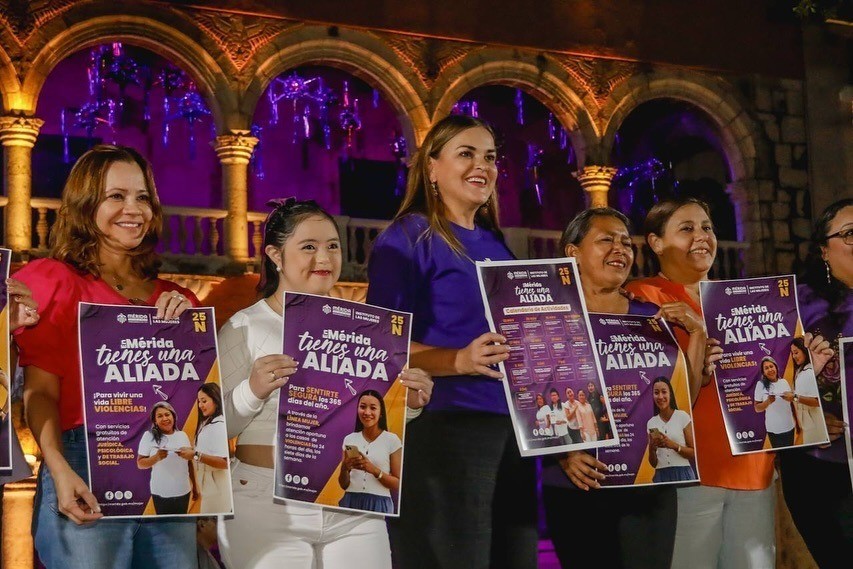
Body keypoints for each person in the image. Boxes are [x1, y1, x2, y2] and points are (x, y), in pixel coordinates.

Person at [216, 198, 433, 569]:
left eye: (332, 245)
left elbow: (374, 424)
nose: (324, 258)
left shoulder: (369, 328)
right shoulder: (244, 326)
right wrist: (252, 391)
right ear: (275, 255)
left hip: (354, 502)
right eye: (308, 247)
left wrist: (409, 404)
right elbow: (211, 428)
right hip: (266, 505)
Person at [13, 144, 200, 568]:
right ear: (84, 203)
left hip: (166, 471)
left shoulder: (180, 299)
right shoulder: (51, 280)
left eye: (142, 197)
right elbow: (39, 393)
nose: (133, 209)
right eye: (115, 196)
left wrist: (194, 333)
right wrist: (58, 468)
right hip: (82, 461)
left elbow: (197, 402)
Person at [366, 114, 538, 569]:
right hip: (442, 427)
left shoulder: (497, 245)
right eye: (466, 153)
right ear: (432, 168)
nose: (482, 165)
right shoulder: (405, 239)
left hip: (516, 431)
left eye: (490, 157)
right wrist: (457, 359)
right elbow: (378, 343)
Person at [542, 207, 702, 569]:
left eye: (626, 242)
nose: (621, 248)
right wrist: (560, 453)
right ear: (572, 252)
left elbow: (681, 402)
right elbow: (530, 395)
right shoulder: (547, 317)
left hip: (648, 485)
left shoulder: (652, 317)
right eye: (605, 240)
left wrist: (698, 335)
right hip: (577, 483)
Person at [626, 197, 777, 569]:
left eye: (707, 227)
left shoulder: (742, 301)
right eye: (687, 228)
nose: (702, 236)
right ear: (656, 243)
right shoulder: (641, 298)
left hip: (753, 467)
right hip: (687, 473)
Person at [777, 197, 853, 568]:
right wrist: (813, 414)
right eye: (851, 234)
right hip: (822, 465)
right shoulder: (794, 305)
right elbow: (762, 379)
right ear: (824, 249)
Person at [338, 389, 402, 514]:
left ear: (381, 412)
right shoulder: (349, 439)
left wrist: (373, 470)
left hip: (380, 503)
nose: (367, 412)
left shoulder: (392, 440)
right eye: (362, 407)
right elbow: (344, 485)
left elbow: (398, 484)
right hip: (350, 500)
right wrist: (344, 468)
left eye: (373, 408)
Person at [178, 383, 230, 514]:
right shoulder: (206, 423)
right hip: (208, 485)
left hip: (217, 485)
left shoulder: (219, 425)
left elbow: (225, 463)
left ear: (216, 400)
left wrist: (195, 454)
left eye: (204, 401)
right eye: (199, 401)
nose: (200, 405)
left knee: (212, 525)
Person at [137, 401, 196, 515]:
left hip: (183, 491)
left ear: (173, 416)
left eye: (167, 414)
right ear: (155, 421)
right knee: (164, 526)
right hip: (160, 492)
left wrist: (195, 486)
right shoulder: (148, 436)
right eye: (160, 416)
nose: (165, 418)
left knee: (180, 524)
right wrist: (156, 458)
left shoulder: (182, 435)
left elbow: (189, 463)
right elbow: (140, 463)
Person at [646, 376, 695, 482]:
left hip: (683, 473)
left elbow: (693, 453)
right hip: (661, 476)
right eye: (656, 393)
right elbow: (654, 464)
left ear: (670, 394)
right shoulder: (651, 423)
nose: (660, 396)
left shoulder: (682, 416)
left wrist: (673, 445)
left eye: (664, 392)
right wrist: (652, 448)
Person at [788, 336, 827, 445]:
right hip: (807, 424)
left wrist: (794, 397)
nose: (794, 356)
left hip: (815, 423)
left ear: (804, 350)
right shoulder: (800, 371)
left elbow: (817, 401)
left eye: (796, 352)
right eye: (792, 353)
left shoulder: (809, 371)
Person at [752, 356, 796, 448]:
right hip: (773, 429)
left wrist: (790, 398)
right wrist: (768, 401)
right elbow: (757, 408)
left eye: (771, 366)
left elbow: (792, 401)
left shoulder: (784, 382)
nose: (770, 369)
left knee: (790, 454)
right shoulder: (760, 385)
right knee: (779, 456)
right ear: (763, 372)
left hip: (789, 426)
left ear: (776, 367)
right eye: (766, 368)